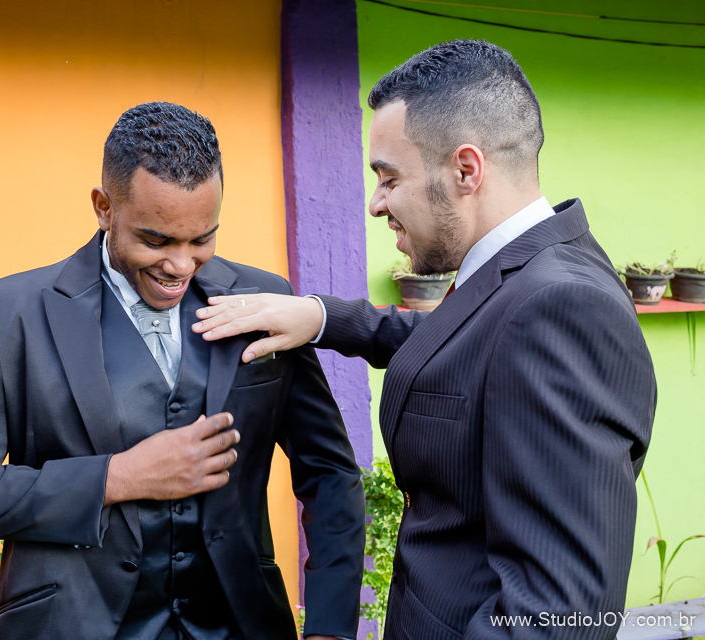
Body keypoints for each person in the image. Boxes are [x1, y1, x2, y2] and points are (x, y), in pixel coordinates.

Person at [192, 41, 656, 640]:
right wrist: (321, 317)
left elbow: (558, 613)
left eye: (388, 178)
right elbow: (465, 347)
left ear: (466, 170)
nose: (375, 203)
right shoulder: (518, 278)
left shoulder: (561, 307)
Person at [0, 102, 364, 640]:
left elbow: (330, 471)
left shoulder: (266, 302)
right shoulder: (9, 312)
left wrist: (330, 628)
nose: (180, 266)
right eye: (156, 240)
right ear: (104, 207)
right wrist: (116, 478)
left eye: (202, 239)